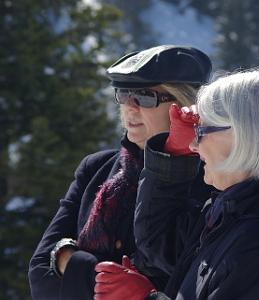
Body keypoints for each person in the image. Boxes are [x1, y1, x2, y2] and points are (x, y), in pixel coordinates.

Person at [94, 69, 259, 300]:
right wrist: (173, 153)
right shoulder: (235, 212)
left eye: (200, 131)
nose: (193, 145)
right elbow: (160, 244)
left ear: (242, 135)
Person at [28, 45, 213, 300]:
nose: (129, 107)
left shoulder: (212, 180)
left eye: (145, 97)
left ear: (184, 104)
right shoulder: (96, 168)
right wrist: (116, 284)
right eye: (123, 94)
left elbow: (183, 279)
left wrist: (71, 262)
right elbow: (40, 275)